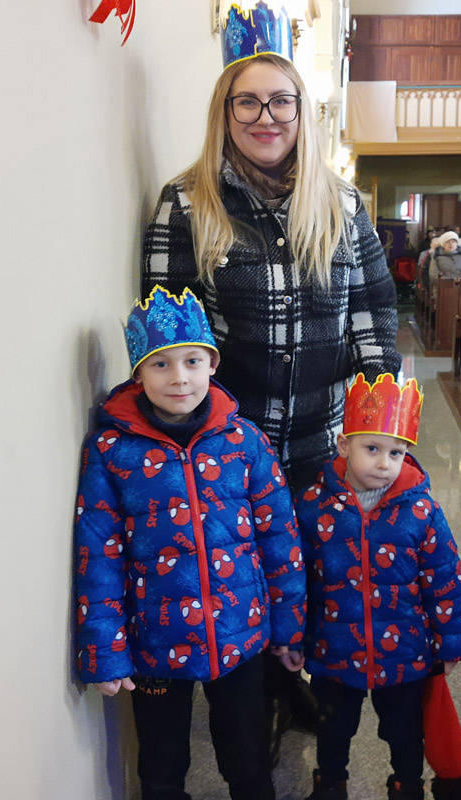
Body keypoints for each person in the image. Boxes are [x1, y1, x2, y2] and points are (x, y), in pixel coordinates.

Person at [142, 20, 401, 764]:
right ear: (224, 113)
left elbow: (373, 311)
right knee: (245, 574)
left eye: (280, 102)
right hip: (231, 441)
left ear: (300, 112)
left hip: (321, 432)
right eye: (247, 103)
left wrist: (381, 426)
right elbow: (170, 323)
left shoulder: (341, 203)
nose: (266, 117)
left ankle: (296, 680)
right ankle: (254, 708)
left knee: (313, 566)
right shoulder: (185, 202)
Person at [74, 286, 307, 800]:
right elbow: (98, 555)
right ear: (138, 373)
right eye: (161, 365)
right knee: (160, 769)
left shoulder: (245, 441)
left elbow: (280, 539)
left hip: (240, 634)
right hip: (155, 642)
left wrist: (289, 629)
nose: (179, 377)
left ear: (212, 365)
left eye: (193, 361)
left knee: (249, 762)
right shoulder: (111, 451)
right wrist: (106, 651)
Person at [296, 373, 461, 800]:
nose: (383, 463)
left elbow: (445, 579)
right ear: (343, 445)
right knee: (333, 727)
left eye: (396, 452)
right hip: (335, 650)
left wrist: (451, 644)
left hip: (406, 652)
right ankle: (330, 783)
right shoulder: (313, 506)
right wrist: (292, 638)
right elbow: (297, 581)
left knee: (404, 730)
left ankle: (407, 784)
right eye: (371, 449)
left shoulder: (422, 510)